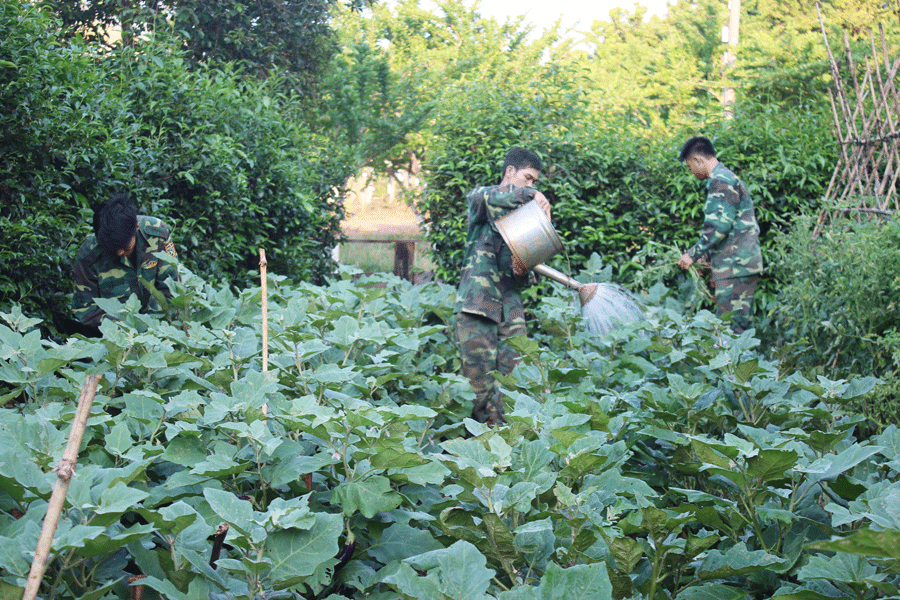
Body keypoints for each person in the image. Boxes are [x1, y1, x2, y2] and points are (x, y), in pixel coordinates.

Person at [454, 146, 551, 424]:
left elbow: (524, 275)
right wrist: (533, 195)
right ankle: (474, 456)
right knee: (478, 391)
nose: (531, 185)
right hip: (477, 307)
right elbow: (480, 195)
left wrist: (522, 269)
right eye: (528, 178)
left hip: (512, 312)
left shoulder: (527, 220)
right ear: (510, 172)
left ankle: (505, 456)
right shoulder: (483, 202)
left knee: (512, 388)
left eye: (535, 183)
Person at [677, 136, 763, 334]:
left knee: (730, 329)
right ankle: (744, 364)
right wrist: (705, 259)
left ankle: (739, 365)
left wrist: (692, 255)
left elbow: (718, 227)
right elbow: (728, 226)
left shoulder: (721, 181)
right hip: (737, 264)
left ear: (698, 160)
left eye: (690, 167)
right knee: (736, 326)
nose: (692, 172)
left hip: (736, 265)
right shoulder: (724, 179)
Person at [71, 193, 179, 329]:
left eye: (125, 247)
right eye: (112, 249)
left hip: (158, 327)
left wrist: (151, 326)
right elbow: (83, 308)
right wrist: (118, 325)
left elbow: (171, 287)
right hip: (115, 335)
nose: (119, 253)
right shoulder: (89, 253)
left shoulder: (158, 233)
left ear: (137, 227)